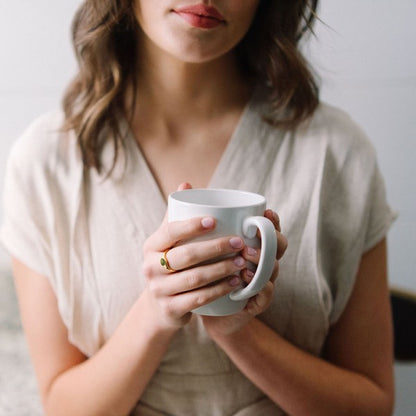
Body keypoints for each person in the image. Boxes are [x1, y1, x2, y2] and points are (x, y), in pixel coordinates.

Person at [0, 1, 396, 415]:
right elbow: (62, 407)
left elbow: (372, 404)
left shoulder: (336, 154)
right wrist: (155, 314)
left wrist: (238, 332)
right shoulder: (45, 164)